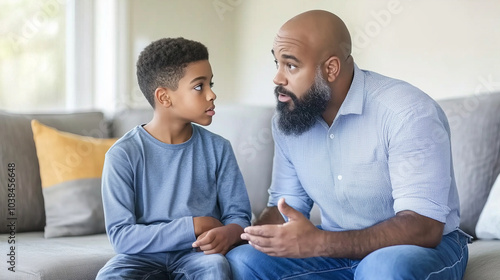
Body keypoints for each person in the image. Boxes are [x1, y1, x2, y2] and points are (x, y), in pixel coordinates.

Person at [226, 10, 471, 279]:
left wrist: (320, 243)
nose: (277, 79)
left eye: (291, 66)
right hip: (336, 249)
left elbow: (423, 227)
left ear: (331, 68)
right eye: (277, 64)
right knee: (242, 260)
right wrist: (235, 235)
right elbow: (287, 208)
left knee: (382, 268)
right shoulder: (290, 120)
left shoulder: (407, 112)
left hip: (421, 247)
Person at [96, 37, 251, 279]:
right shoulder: (123, 155)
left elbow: (239, 216)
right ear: (164, 97)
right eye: (199, 86)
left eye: (211, 84)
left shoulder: (219, 148)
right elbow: (121, 237)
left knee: (216, 269)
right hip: (140, 257)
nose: (212, 94)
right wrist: (195, 225)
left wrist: (229, 233)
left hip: (198, 255)